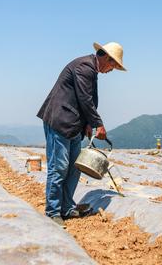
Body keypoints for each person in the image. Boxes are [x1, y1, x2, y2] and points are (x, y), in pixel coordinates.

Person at [37, 42, 126, 226]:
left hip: (74, 124)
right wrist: (98, 124)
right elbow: (85, 99)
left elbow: (85, 99)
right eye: (113, 65)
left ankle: (67, 208)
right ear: (107, 58)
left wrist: (87, 124)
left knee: (74, 168)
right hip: (60, 121)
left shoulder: (91, 70)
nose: (112, 70)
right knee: (59, 167)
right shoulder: (84, 67)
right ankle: (53, 211)